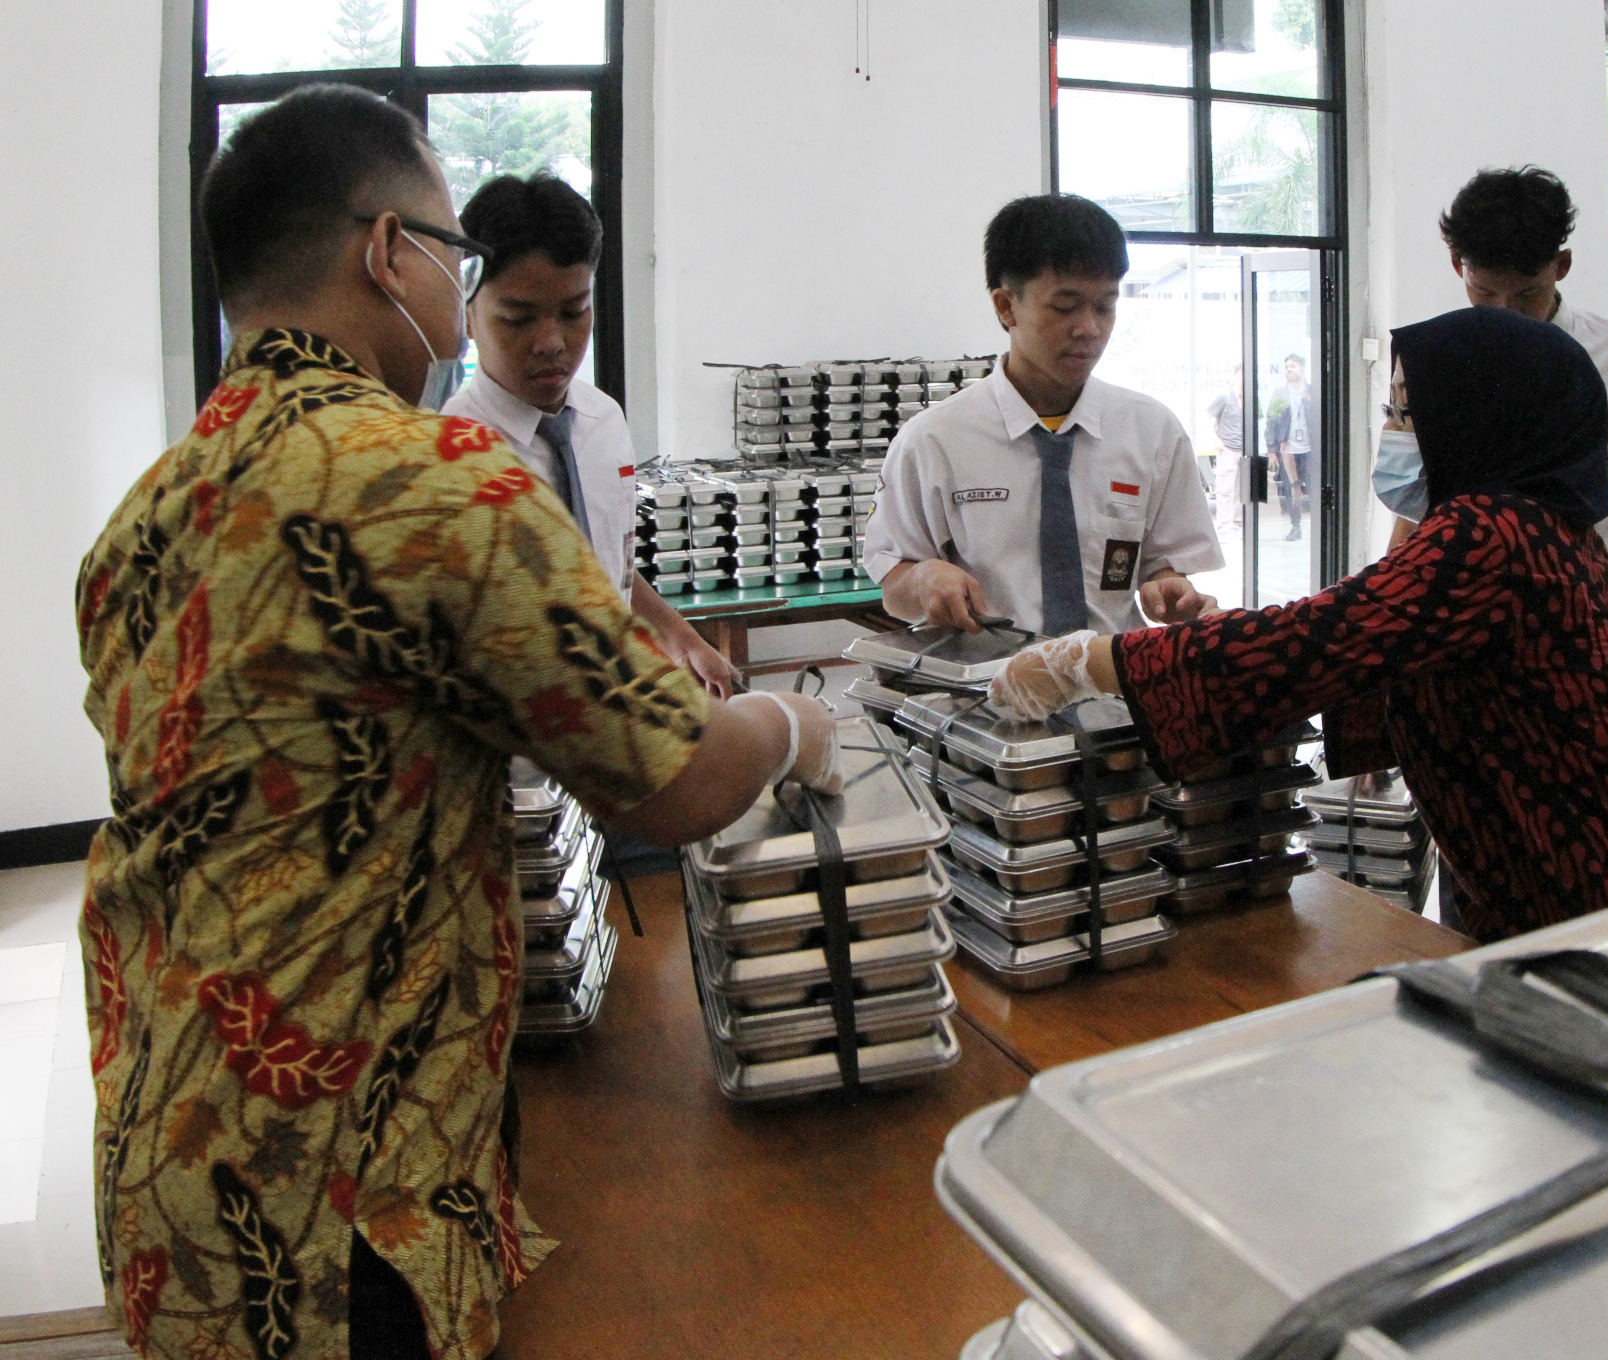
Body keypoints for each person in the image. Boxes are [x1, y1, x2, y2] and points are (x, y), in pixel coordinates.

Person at [76, 84, 835, 1360]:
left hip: (165, 1152)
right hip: (340, 1205)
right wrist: (793, 721)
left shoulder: (145, 515)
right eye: (455, 252)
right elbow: (677, 785)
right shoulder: (432, 478)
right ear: (390, 252)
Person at [988, 307, 1608, 943]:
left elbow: (1318, 641)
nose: (1392, 432)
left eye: (1407, 413)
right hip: (1547, 892)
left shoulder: (1493, 534)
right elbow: (1365, 629)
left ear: (1479, 416)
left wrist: (1088, 663)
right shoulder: (1547, 525)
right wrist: (1227, 637)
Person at [1436, 166, 1608, 766]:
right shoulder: (1439, 359)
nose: (1506, 313)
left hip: (1587, 640)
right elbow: (1413, 513)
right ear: (1457, 263)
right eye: (1485, 293)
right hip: (1466, 638)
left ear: (1561, 266)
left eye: (1526, 295)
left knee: (1591, 799)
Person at [442, 172, 743, 698]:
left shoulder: (602, 420)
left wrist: (679, 636)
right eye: (517, 318)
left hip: (615, 707)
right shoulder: (449, 455)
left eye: (573, 312)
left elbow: (608, 563)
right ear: (467, 314)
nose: (552, 342)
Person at [865, 194, 1223, 636]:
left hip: (1113, 672)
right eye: (1064, 307)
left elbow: (1163, 563)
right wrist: (922, 579)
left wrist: (1168, 585)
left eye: (1105, 306)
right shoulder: (934, 440)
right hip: (989, 675)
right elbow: (894, 587)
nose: (1089, 328)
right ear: (1005, 306)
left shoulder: (1152, 432)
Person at [1265, 353, 1317, 541]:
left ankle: (1318, 528)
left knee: (1314, 488)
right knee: (1290, 490)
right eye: (1286, 367)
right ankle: (1296, 526)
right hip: (1288, 449)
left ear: (1302, 368)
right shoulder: (1280, 393)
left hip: (1310, 449)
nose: (1288, 370)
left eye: (1292, 366)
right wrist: (1271, 450)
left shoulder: (1312, 391)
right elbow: (1271, 422)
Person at [1204, 364, 1244, 526]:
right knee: (1225, 490)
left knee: (1240, 491)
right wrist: (1214, 438)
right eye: (1241, 374)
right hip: (1228, 449)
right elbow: (1208, 417)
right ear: (1235, 375)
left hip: (1245, 452)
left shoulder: (1250, 399)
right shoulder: (1225, 397)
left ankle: (1238, 523)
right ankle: (1225, 526)